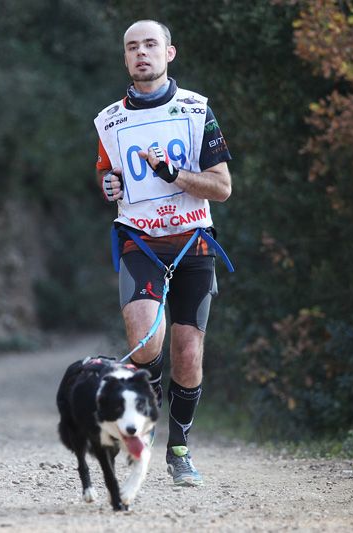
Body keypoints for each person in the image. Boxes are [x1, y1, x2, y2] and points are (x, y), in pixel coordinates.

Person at [93, 19, 232, 487]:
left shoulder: (197, 110)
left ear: (169, 53)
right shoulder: (108, 120)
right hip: (140, 241)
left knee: (188, 352)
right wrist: (108, 184)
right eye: (132, 47)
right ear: (125, 57)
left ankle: (180, 449)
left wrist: (175, 175)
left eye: (150, 44)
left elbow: (222, 188)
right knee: (146, 344)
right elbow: (107, 174)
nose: (141, 53)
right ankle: (147, 411)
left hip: (193, 242)